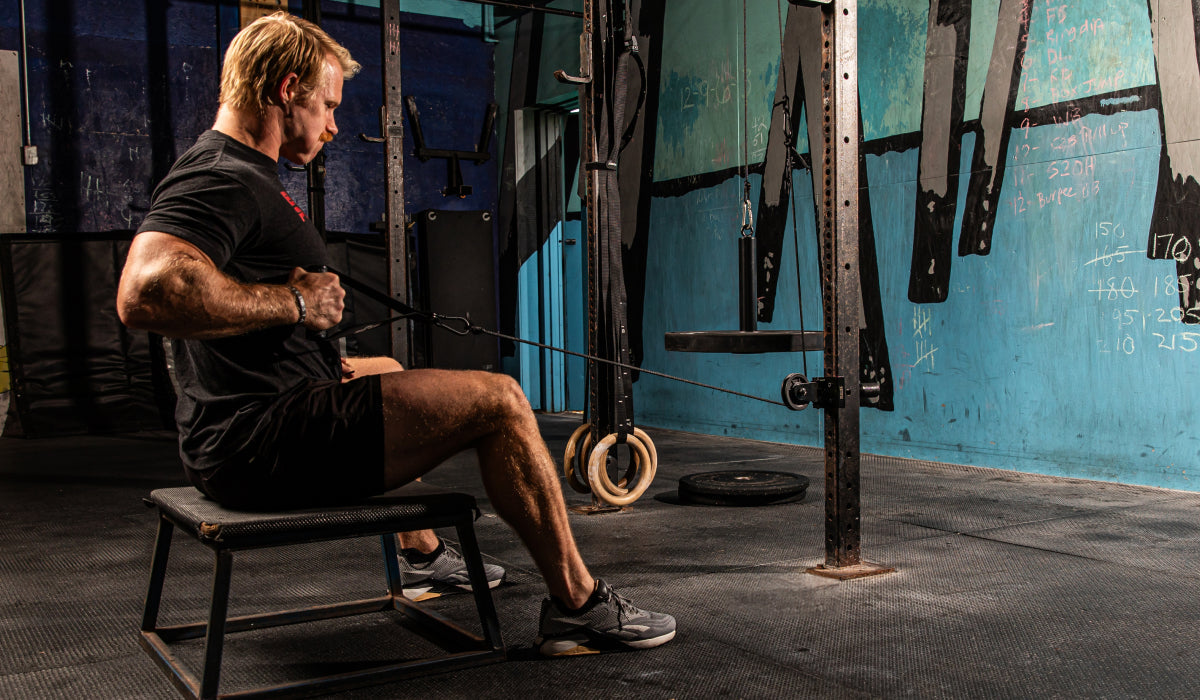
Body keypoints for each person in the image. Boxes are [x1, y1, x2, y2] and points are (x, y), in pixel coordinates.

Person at [116, 12, 674, 655]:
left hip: (242, 424)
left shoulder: (245, 172)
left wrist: (305, 331)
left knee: (382, 368)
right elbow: (147, 291)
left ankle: (425, 556)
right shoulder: (222, 175)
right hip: (256, 442)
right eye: (326, 105)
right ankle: (577, 602)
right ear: (285, 88)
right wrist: (295, 302)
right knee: (501, 400)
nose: (331, 125)